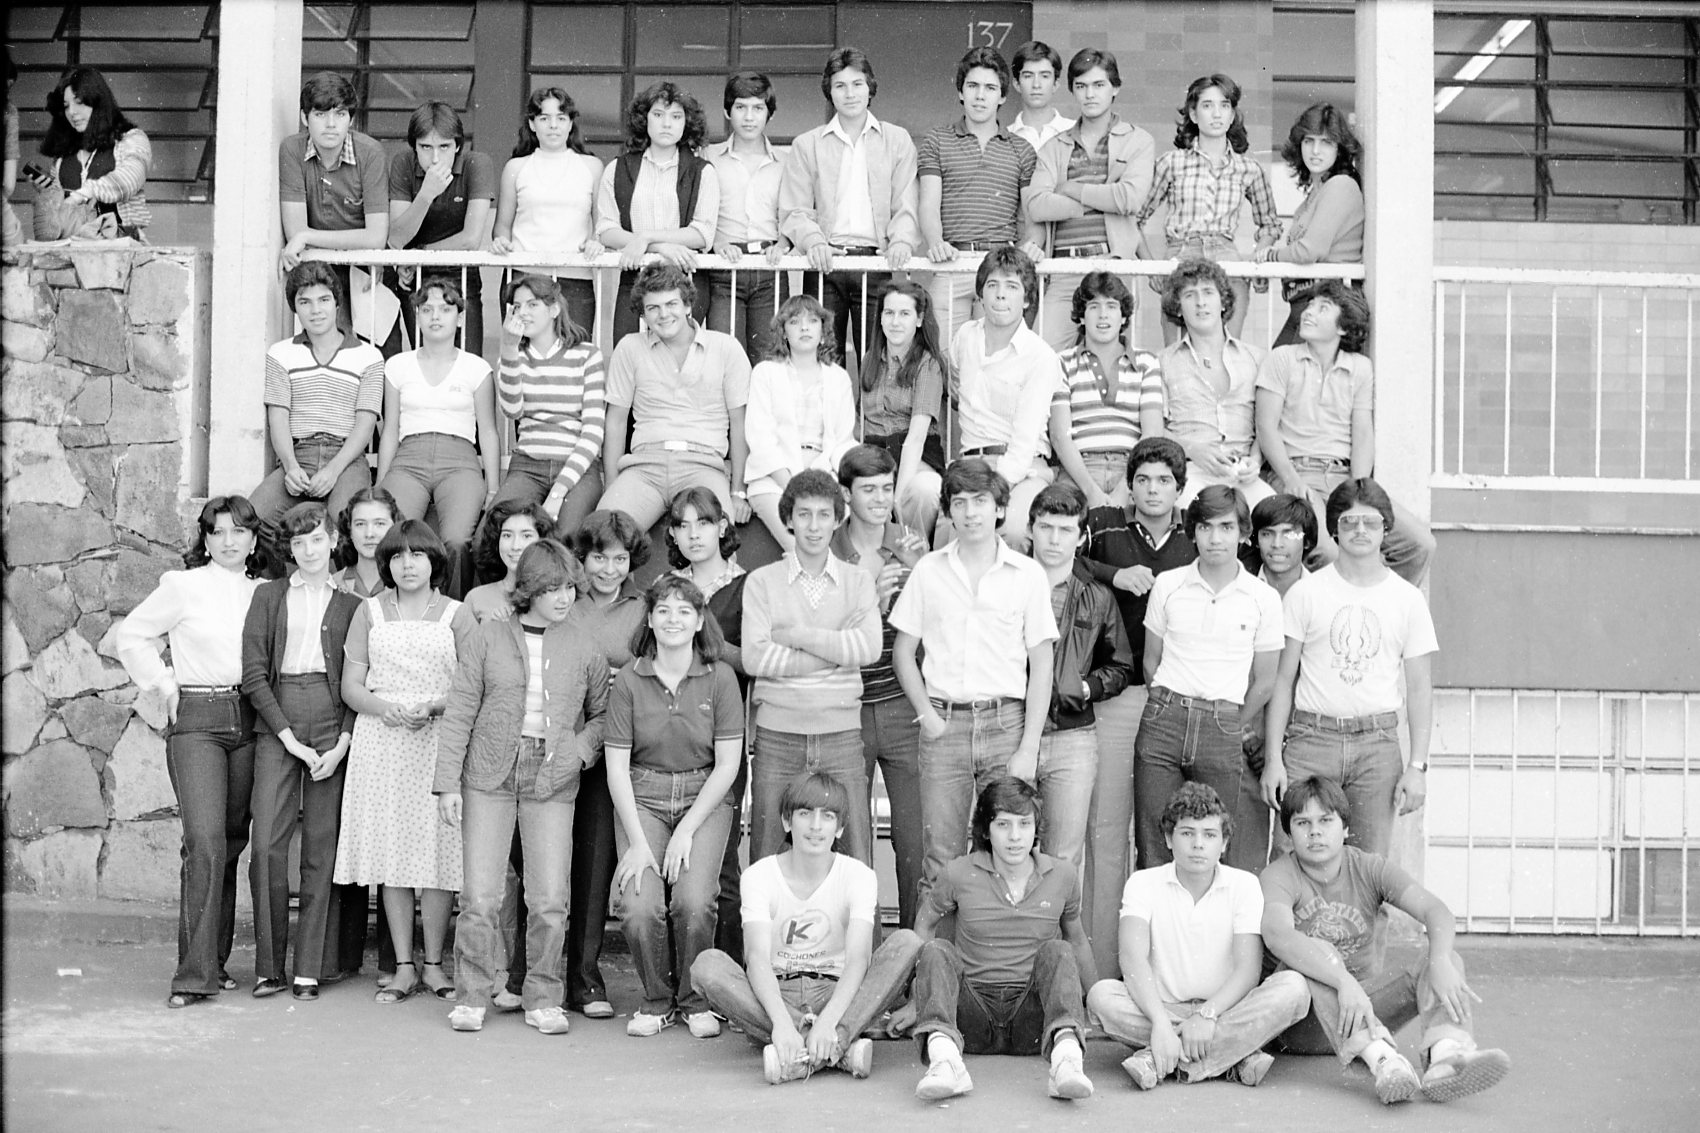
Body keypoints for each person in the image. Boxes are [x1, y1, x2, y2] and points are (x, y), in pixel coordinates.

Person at [436, 540, 609, 1035]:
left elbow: (603, 715)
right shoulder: (489, 637)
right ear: (529, 589)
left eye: (569, 587)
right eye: (552, 588)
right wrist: (447, 782)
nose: (564, 597)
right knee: (480, 896)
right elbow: (460, 710)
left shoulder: (584, 644)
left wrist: (579, 751)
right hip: (488, 773)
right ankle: (471, 997)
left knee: (550, 897)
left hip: (552, 774)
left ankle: (543, 998)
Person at [1261, 777, 1512, 1105]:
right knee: (1318, 951)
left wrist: (1439, 962)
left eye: (1325, 821)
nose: (1315, 832)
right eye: (1302, 823)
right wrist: (1342, 980)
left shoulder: (1368, 868)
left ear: (1345, 828)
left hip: (1362, 1008)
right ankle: (1384, 1061)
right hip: (1302, 1024)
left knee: (1447, 958)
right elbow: (1278, 935)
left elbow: (1436, 911)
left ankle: (1445, 1056)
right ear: (1289, 832)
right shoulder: (1278, 875)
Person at [115, 496, 267, 1008]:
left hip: (250, 718)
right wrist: (163, 683)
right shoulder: (183, 586)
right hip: (198, 719)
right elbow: (131, 635)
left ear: (253, 539)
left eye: (238, 531)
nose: (228, 541)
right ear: (205, 539)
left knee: (231, 842)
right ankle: (193, 976)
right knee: (203, 841)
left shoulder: (265, 592)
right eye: (217, 532)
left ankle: (215, 962)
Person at [890, 459, 1057, 896]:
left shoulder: (1028, 575)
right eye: (959, 502)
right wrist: (926, 715)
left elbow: (1041, 664)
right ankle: (935, 943)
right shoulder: (929, 570)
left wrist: (1029, 747)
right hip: (944, 725)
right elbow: (903, 652)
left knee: (1008, 853)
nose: (970, 512)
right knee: (940, 857)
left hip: (1005, 726)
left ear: (1000, 508)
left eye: (980, 501)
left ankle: (1000, 942)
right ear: (947, 511)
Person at [693, 772, 924, 1084]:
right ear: (787, 821)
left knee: (907, 943)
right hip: (777, 992)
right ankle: (837, 1049)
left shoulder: (859, 876)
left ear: (839, 827)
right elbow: (756, 958)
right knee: (707, 966)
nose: (816, 826)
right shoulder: (759, 876)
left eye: (827, 816)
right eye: (805, 814)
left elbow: (858, 959)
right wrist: (781, 1022)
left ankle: (804, 1051)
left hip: (836, 992)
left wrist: (828, 1021)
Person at [333, 521, 476, 1003]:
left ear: (435, 561)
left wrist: (434, 707)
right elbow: (351, 685)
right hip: (382, 741)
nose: (407, 564)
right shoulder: (369, 611)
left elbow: (472, 684)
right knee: (391, 852)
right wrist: (385, 708)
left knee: (439, 851)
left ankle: (435, 964)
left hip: (440, 739)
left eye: (417, 555)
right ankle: (403, 966)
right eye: (397, 556)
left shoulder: (457, 614)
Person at [1086, 782, 1310, 1088]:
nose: (1198, 844)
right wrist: (1160, 1023)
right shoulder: (1142, 883)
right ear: (1169, 838)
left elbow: (1248, 970)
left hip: (1225, 1010)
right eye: (1187, 833)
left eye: (1209, 835)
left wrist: (1207, 1015)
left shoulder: (1244, 885)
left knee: (1294, 988)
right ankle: (1232, 1056)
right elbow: (1132, 959)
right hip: (1161, 1008)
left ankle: (1159, 1058)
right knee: (1101, 997)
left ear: (1224, 842)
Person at [1261, 479, 1436, 858]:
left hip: (1377, 747)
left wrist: (1417, 766)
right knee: (1290, 860)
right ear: (1334, 528)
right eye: (1349, 521)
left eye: (1370, 522)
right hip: (1311, 741)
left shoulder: (1407, 600)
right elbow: (1283, 681)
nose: (1360, 530)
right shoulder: (1306, 593)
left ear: (1386, 528)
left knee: (1367, 866)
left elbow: (1421, 688)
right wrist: (1274, 759)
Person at [1078, 436, 1196, 975]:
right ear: (1130, 485)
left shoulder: (1196, 535)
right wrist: (1114, 575)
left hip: (1177, 698)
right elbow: (1060, 561)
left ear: (1179, 489)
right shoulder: (1105, 526)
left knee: (1165, 839)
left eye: (1164, 481)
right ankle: (1102, 973)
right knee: (1106, 835)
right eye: (1143, 480)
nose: (1153, 490)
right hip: (1119, 698)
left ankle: (1162, 971)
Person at [606, 576, 745, 1038]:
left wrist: (686, 829)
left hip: (703, 796)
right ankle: (656, 999)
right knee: (637, 904)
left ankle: (694, 998)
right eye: (663, 610)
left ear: (700, 620)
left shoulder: (720, 677)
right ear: (649, 619)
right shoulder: (630, 679)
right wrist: (638, 843)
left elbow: (728, 764)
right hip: (642, 796)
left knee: (694, 901)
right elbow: (616, 768)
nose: (673, 620)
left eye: (684, 611)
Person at [910, 777, 1097, 1102]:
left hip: (1033, 1020)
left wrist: (1094, 1002)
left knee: (1059, 949)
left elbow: (1077, 940)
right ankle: (945, 1062)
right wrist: (917, 999)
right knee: (937, 949)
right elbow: (924, 926)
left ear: (1036, 828)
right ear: (986, 829)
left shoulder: (1063, 875)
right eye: (1003, 824)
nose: (1015, 836)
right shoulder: (957, 872)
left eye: (1024, 824)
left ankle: (1066, 1062)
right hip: (970, 1017)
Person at [240, 502, 361, 1001]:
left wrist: (343, 743)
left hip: (331, 719)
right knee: (267, 843)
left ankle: (310, 967)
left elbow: (360, 681)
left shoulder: (353, 606)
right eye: (297, 542)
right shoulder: (269, 596)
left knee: (321, 847)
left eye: (316, 539)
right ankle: (269, 967)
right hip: (278, 717)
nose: (308, 550)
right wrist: (286, 736)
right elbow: (253, 674)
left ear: (333, 540)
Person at [1135, 486, 1281, 875]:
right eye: (1205, 527)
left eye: (1226, 527)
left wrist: (1229, 722)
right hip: (1164, 721)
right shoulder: (1169, 585)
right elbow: (1151, 661)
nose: (1215, 538)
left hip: (1223, 724)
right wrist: (1168, 707)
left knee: (1219, 843)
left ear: (1243, 532)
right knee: (1155, 841)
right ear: (1193, 531)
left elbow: (1266, 680)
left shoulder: (1262, 597)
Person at [1257, 283, 1438, 585]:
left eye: (1323, 308)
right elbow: (1265, 426)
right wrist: (1290, 478)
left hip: (1344, 479)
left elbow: (1362, 432)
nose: (1309, 312)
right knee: (1327, 552)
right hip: (1297, 475)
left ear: (1343, 327)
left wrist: (1360, 487)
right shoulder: (1282, 359)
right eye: (1310, 305)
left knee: (1419, 544)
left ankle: (1380, 609)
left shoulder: (1360, 368)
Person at [742, 469, 881, 863]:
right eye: (804, 514)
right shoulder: (762, 582)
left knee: (855, 857)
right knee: (767, 855)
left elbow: (869, 647)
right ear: (788, 518)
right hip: (778, 736)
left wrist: (798, 636)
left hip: (841, 735)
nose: (814, 526)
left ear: (838, 519)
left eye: (823, 515)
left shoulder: (858, 581)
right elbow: (756, 657)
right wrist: (835, 652)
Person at [557, 510, 654, 1018]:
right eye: (598, 557)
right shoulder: (564, 601)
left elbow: (654, 664)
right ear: (582, 557)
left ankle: (585, 979)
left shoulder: (644, 607)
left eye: (619, 559)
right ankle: (528, 975)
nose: (609, 569)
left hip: (616, 751)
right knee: (548, 867)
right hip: (560, 741)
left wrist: (628, 676)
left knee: (595, 867)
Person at [831, 445, 929, 927]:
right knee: (853, 844)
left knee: (916, 841)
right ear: (845, 493)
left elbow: (934, 625)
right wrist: (870, 598)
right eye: (867, 489)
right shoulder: (828, 548)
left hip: (901, 705)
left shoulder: (912, 543)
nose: (879, 499)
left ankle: (914, 952)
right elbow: (820, 630)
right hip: (846, 706)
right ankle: (860, 957)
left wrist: (914, 580)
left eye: (887, 488)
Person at [779, 47, 919, 357]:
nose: (850, 93)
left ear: (870, 87)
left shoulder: (896, 140)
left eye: (857, 84)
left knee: (878, 359)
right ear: (829, 91)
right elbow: (795, 209)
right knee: (823, 359)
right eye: (840, 85)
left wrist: (901, 240)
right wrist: (814, 241)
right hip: (824, 262)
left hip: (876, 263)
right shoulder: (807, 144)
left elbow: (906, 201)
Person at [598, 264, 754, 530]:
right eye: (653, 308)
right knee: (606, 532)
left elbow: (740, 423)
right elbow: (616, 421)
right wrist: (612, 487)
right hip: (644, 468)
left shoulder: (725, 348)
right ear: (643, 314)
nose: (663, 314)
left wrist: (738, 490)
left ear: (688, 305)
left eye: (671, 304)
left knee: (714, 535)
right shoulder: (630, 348)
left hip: (703, 466)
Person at [1026, 482, 1133, 872]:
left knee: (1063, 857)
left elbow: (1121, 666)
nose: (1054, 539)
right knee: (1002, 848)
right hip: (1010, 728)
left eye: (1065, 530)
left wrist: (1086, 687)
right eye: (1046, 527)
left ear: (1081, 535)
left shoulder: (1097, 595)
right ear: (1030, 529)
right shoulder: (1009, 582)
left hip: (1071, 736)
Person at [666, 486, 752, 960]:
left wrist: (706, 645)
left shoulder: (748, 585)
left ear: (722, 527)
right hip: (669, 738)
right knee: (674, 863)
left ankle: (729, 975)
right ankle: (680, 978)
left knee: (722, 866)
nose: (693, 534)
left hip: (724, 739)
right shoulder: (667, 587)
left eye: (703, 523)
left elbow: (753, 660)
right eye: (683, 525)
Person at [374, 276, 500, 599]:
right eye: (427, 309)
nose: (435, 316)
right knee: (395, 534)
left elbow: (488, 430)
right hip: (409, 459)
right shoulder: (398, 366)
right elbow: (390, 428)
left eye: (445, 309)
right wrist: (381, 483)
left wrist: (493, 486)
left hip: (459, 460)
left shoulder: (476, 368)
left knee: (457, 540)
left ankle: (451, 611)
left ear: (459, 318)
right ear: (417, 316)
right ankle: (396, 611)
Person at [249, 262, 385, 556]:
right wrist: (290, 466)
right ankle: (285, 582)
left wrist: (333, 471)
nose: (315, 310)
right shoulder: (281, 353)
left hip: (346, 457)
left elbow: (365, 423)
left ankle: (341, 586)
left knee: (345, 522)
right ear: (295, 308)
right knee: (253, 518)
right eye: (305, 302)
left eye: (324, 300)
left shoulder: (369, 357)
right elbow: (278, 417)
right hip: (300, 453)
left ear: (337, 302)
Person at [1026, 48, 1155, 353]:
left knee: (1115, 359)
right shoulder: (1054, 146)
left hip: (1112, 265)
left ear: (1115, 88)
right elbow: (1037, 205)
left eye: (1099, 85)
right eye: (1081, 86)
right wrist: (1098, 197)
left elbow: (1129, 198)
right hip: (1063, 268)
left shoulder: (1138, 140)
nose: (1090, 94)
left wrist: (1071, 188)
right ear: (1072, 90)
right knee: (1042, 355)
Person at [1136, 74, 1281, 344]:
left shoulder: (1248, 168)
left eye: (1224, 105)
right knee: (1178, 351)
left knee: (1228, 348)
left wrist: (1259, 256)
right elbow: (1134, 218)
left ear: (1232, 114)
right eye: (1207, 105)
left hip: (1227, 259)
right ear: (1193, 114)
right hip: (1182, 255)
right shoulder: (1171, 163)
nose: (1217, 114)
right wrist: (1151, 268)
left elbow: (1270, 224)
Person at [917, 46, 1042, 340]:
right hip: (953, 262)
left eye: (990, 88)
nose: (980, 95)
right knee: (945, 355)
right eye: (972, 86)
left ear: (1002, 96)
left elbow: (1032, 213)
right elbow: (928, 205)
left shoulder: (1022, 149)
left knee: (996, 356)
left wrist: (1033, 244)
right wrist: (935, 242)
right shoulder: (937, 140)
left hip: (1000, 267)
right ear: (961, 92)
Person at [949, 246, 1062, 551]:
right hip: (970, 463)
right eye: (992, 285)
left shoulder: (1040, 356)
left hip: (1021, 469)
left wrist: (990, 492)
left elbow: (1024, 442)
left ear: (1026, 299)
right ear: (980, 294)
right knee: (948, 530)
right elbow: (955, 383)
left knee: (1011, 529)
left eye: (1012, 287)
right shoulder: (965, 337)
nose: (1001, 295)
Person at [597, 81, 719, 342]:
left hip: (685, 283)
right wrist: (660, 247)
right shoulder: (618, 169)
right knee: (631, 355)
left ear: (687, 123)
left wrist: (646, 237)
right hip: (635, 281)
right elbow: (606, 230)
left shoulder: (702, 171)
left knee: (679, 360)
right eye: (658, 114)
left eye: (676, 116)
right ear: (644, 119)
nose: (666, 124)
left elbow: (702, 234)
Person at [490, 272, 607, 532]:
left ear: (554, 309)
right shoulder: (512, 356)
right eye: (517, 306)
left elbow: (593, 432)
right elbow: (512, 410)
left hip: (577, 467)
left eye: (532, 305)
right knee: (490, 535)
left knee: (565, 537)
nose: (523, 313)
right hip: (528, 465)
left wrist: (558, 492)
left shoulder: (587, 355)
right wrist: (508, 348)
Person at [1157, 258, 1275, 508]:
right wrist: (1191, 449)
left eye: (1208, 292)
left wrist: (1255, 460)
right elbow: (1155, 428)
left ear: (1223, 302)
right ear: (1178, 308)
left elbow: (1267, 424)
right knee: (1190, 512)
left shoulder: (1256, 358)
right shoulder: (1163, 362)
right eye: (1190, 295)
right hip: (1190, 471)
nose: (1200, 302)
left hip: (1243, 472)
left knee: (1272, 514)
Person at [744, 295, 859, 549]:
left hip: (824, 472)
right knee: (803, 547)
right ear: (784, 332)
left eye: (813, 321)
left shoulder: (838, 377)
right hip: (775, 479)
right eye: (795, 322)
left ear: (823, 331)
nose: (804, 327)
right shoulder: (766, 373)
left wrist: (828, 481)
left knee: (841, 542)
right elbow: (760, 439)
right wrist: (792, 485)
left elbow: (843, 440)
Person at [491, 87, 605, 332]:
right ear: (532, 124)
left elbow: (602, 225)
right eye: (544, 118)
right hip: (524, 276)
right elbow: (502, 226)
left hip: (575, 277)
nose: (553, 126)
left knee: (574, 349)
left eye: (561, 118)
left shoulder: (592, 167)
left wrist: (596, 242)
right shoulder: (516, 168)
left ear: (570, 123)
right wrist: (501, 242)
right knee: (521, 349)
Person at [1049, 272, 1164, 511]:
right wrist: (1091, 492)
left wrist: (1124, 489)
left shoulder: (1146, 362)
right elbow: (1060, 435)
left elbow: (1152, 433)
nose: (1103, 315)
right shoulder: (1062, 362)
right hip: (1079, 469)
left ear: (1124, 317)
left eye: (1112, 306)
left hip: (1132, 467)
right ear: (1081, 316)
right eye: (1094, 307)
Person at [387, 101, 495, 351]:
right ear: (414, 146)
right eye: (425, 147)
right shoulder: (404, 163)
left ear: (457, 145)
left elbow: (470, 239)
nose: (435, 158)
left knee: (467, 361)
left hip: (459, 274)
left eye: (444, 146)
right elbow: (396, 238)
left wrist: (419, 255)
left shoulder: (476, 163)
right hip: (415, 277)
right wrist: (426, 194)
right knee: (424, 359)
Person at [1258, 102, 1365, 349]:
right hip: (1304, 304)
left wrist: (1269, 256)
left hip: (1329, 305)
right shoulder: (1314, 196)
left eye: (1326, 142)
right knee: (1276, 365)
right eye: (1309, 141)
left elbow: (1308, 251)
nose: (1316, 151)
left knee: (1284, 367)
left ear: (1339, 148)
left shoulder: (1341, 185)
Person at [705, 71, 791, 359]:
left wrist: (784, 244)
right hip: (723, 268)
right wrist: (717, 242)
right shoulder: (708, 157)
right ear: (727, 112)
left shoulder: (786, 161)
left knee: (770, 359)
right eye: (740, 107)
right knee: (725, 357)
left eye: (758, 108)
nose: (749, 117)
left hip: (770, 269)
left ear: (770, 114)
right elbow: (698, 211)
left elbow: (795, 212)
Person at [855, 280, 950, 535]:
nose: (895, 322)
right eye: (889, 313)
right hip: (875, 454)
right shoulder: (870, 360)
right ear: (880, 318)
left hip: (915, 456)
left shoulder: (927, 364)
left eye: (905, 314)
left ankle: (914, 551)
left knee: (923, 489)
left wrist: (897, 495)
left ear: (919, 319)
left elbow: (916, 437)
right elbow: (860, 423)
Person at [278, 72, 387, 278]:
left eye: (340, 114)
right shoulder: (292, 150)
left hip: (362, 272)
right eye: (320, 114)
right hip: (314, 271)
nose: (331, 124)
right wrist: (302, 236)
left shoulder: (371, 153)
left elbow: (376, 237)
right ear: (304, 118)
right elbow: (295, 232)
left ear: (351, 119)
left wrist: (306, 236)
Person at [30, 66, 151, 240]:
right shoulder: (63, 158)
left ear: (98, 102)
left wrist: (82, 194)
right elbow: (59, 218)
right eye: (66, 106)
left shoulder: (131, 139)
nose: (72, 112)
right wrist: (49, 194)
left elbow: (129, 180)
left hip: (120, 246)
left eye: (79, 102)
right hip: (71, 249)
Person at [464, 499, 549, 621]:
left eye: (526, 536)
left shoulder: (558, 598)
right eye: (507, 535)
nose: (515, 546)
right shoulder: (476, 598)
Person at [1006, 41, 1075, 155]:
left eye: (1045, 76)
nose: (1036, 84)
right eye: (1028, 76)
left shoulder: (1074, 131)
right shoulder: (1005, 137)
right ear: (1017, 84)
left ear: (1056, 84)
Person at [331, 488, 401, 599]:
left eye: (379, 523)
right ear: (350, 529)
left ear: (394, 526)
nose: (369, 534)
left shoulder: (407, 585)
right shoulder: (332, 586)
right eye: (360, 524)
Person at [1251, 492, 1315, 598]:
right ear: (1256, 540)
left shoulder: (1321, 592)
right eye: (1267, 534)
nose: (1277, 544)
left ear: (1307, 541)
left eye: (1289, 534)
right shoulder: (1242, 591)